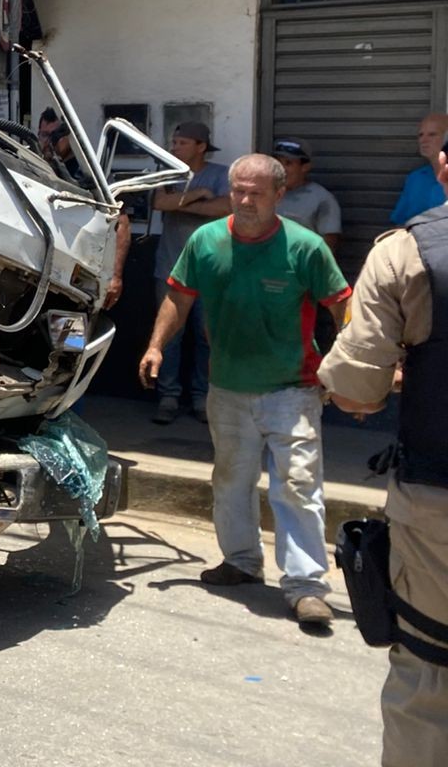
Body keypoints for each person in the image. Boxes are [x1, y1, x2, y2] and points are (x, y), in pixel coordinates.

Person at [139, 153, 351, 627]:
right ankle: (240, 562)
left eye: (257, 192)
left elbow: (342, 306)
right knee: (230, 480)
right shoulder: (206, 240)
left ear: (280, 195)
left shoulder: (306, 247)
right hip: (228, 386)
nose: (246, 200)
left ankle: (305, 586)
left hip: (292, 388)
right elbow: (179, 295)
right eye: (238, 191)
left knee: (297, 486)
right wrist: (156, 346)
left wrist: (349, 365)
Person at [319, 135, 448, 766]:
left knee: (432, 670)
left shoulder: (410, 252)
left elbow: (354, 389)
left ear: (443, 165)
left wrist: (391, 378)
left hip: (439, 503)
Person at [148, 120, 231, 423]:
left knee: (206, 336)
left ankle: (202, 398)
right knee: (169, 336)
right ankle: (168, 398)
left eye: (182, 143)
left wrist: (178, 204)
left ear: (201, 146)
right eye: (174, 142)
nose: (174, 147)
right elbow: (160, 202)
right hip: (170, 268)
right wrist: (198, 195)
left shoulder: (221, 174)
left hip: (211, 271)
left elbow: (223, 208)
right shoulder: (166, 173)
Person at [270, 136, 341, 252]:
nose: (281, 169)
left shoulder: (322, 199)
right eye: (278, 163)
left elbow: (327, 247)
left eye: (288, 163)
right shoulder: (265, 194)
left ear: (305, 167)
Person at [390, 112, 448, 226]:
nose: (423, 140)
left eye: (432, 134)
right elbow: (400, 223)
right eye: (420, 135)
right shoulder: (415, 178)